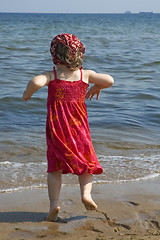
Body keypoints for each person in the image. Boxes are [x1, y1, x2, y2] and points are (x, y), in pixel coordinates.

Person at [23, 33, 114, 222]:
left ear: (54, 54)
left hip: (57, 130)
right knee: (86, 164)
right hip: (80, 129)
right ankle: (86, 195)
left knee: (54, 168)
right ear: (79, 53)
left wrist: (27, 94)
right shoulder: (85, 75)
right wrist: (98, 87)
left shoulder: (52, 75)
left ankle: (54, 204)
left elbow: (35, 82)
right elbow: (109, 80)